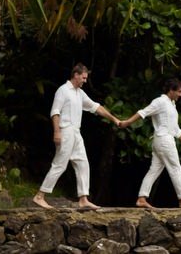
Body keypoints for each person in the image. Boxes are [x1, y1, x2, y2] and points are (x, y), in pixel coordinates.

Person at [33, 63, 122, 209]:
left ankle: (83, 199)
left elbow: (96, 107)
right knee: (60, 164)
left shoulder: (79, 93)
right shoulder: (63, 90)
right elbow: (55, 112)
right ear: (76, 75)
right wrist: (57, 131)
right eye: (83, 78)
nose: (85, 81)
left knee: (82, 163)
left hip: (76, 132)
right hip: (65, 130)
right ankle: (39, 196)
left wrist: (114, 119)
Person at [119, 78, 181, 209]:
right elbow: (143, 112)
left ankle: (142, 198)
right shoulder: (160, 102)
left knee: (154, 170)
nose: (180, 94)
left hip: (162, 140)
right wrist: (127, 122)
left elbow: (175, 128)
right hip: (164, 140)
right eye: (178, 91)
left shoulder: (171, 105)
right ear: (171, 90)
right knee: (175, 168)